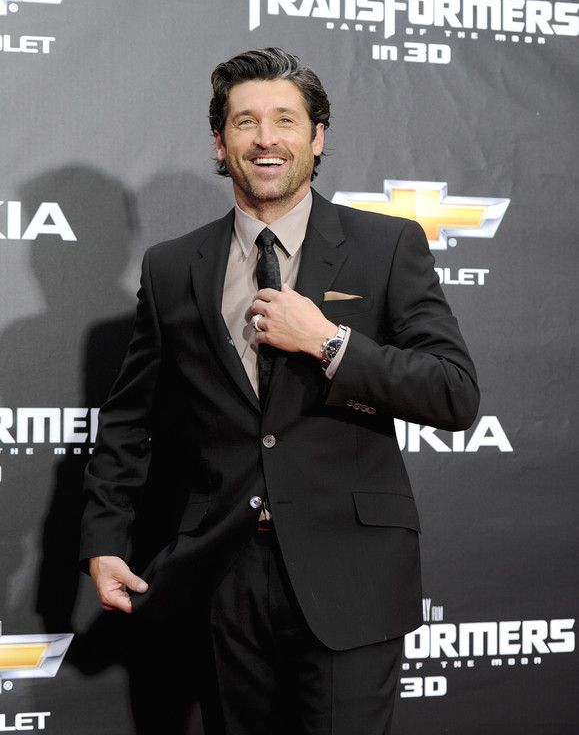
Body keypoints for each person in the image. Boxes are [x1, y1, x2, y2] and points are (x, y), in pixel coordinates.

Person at [80, 47, 479, 735]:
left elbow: (453, 393)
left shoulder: (386, 246)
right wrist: (104, 538)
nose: (266, 139)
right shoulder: (172, 267)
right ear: (220, 141)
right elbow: (129, 419)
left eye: (285, 121)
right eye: (245, 122)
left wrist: (330, 342)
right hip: (219, 577)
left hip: (351, 574)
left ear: (317, 137)